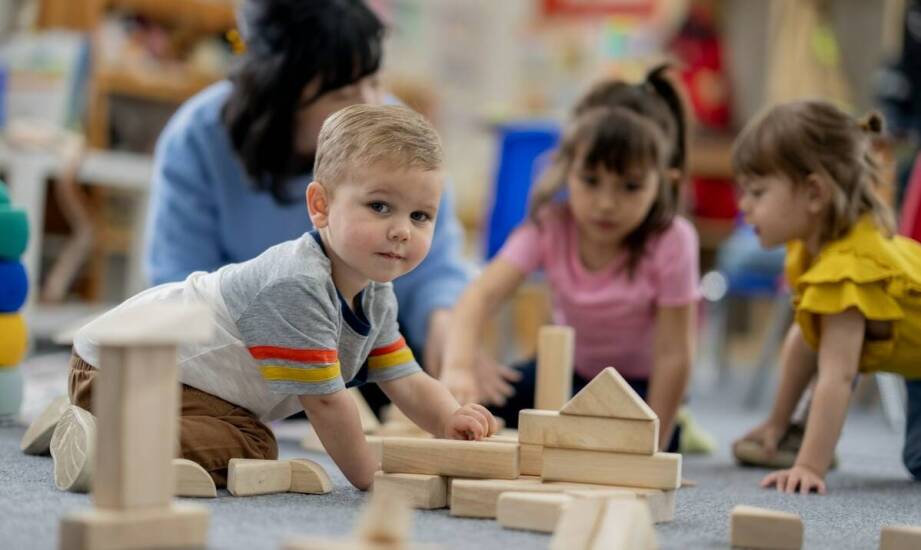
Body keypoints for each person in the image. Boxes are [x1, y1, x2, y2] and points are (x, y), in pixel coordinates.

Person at [46, 104, 498, 493]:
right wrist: (370, 477)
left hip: (160, 378)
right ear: (320, 206)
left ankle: (77, 419)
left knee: (252, 435)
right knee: (254, 445)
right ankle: (107, 439)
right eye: (380, 207)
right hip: (126, 371)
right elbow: (326, 403)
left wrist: (446, 420)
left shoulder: (375, 293)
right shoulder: (298, 284)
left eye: (421, 216)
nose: (402, 229)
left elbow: (405, 378)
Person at [144, 0, 474, 386]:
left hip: (361, 356)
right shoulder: (197, 138)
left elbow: (436, 272)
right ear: (281, 94)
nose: (371, 105)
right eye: (343, 94)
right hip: (241, 365)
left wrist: (452, 341)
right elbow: (182, 287)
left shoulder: (394, 139)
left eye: (375, 82)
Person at [441, 99, 699, 452]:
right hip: (568, 373)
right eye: (591, 181)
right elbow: (481, 294)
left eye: (630, 186)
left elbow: (674, 354)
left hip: (637, 384)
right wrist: (460, 365)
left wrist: (657, 437)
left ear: (664, 183)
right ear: (566, 171)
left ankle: (678, 426)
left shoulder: (673, 239)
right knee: (474, 411)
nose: (606, 203)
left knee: (624, 441)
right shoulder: (551, 224)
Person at [731, 100, 921, 494]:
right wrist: (777, 423)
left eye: (758, 192)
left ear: (814, 193)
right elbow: (805, 340)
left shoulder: (847, 268)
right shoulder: (813, 250)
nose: (743, 206)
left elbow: (838, 375)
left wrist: (809, 467)